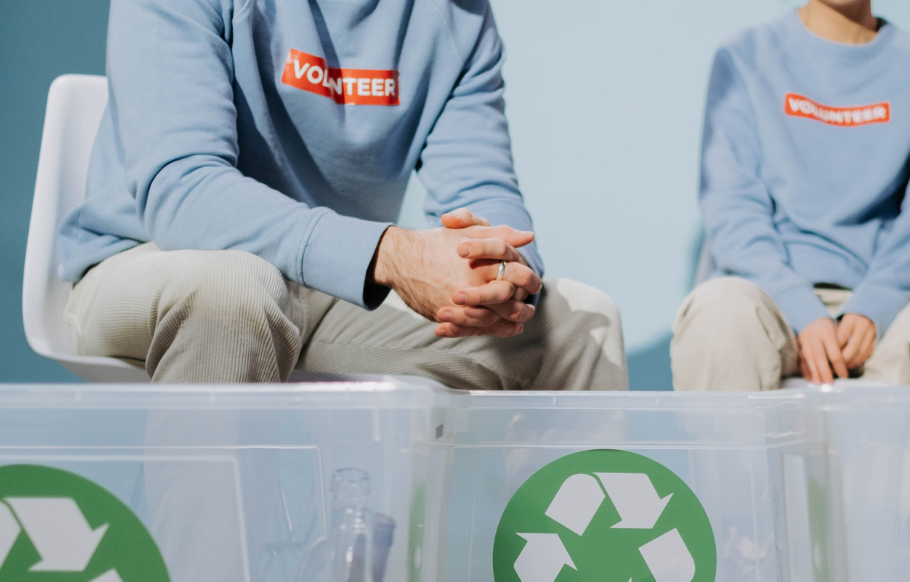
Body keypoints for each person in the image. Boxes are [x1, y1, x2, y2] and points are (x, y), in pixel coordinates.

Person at [59, 0, 626, 391]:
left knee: (579, 325)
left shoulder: (458, 16)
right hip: (152, 265)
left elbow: (481, 189)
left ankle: (557, 536)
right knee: (235, 286)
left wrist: (500, 275)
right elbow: (182, 191)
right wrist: (390, 255)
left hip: (330, 291)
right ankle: (210, 544)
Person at [671, 0, 910, 391]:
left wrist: (876, 304)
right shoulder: (743, 57)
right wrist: (801, 309)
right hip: (769, 306)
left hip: (890, 315)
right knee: (718, 311)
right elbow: (732, 208)